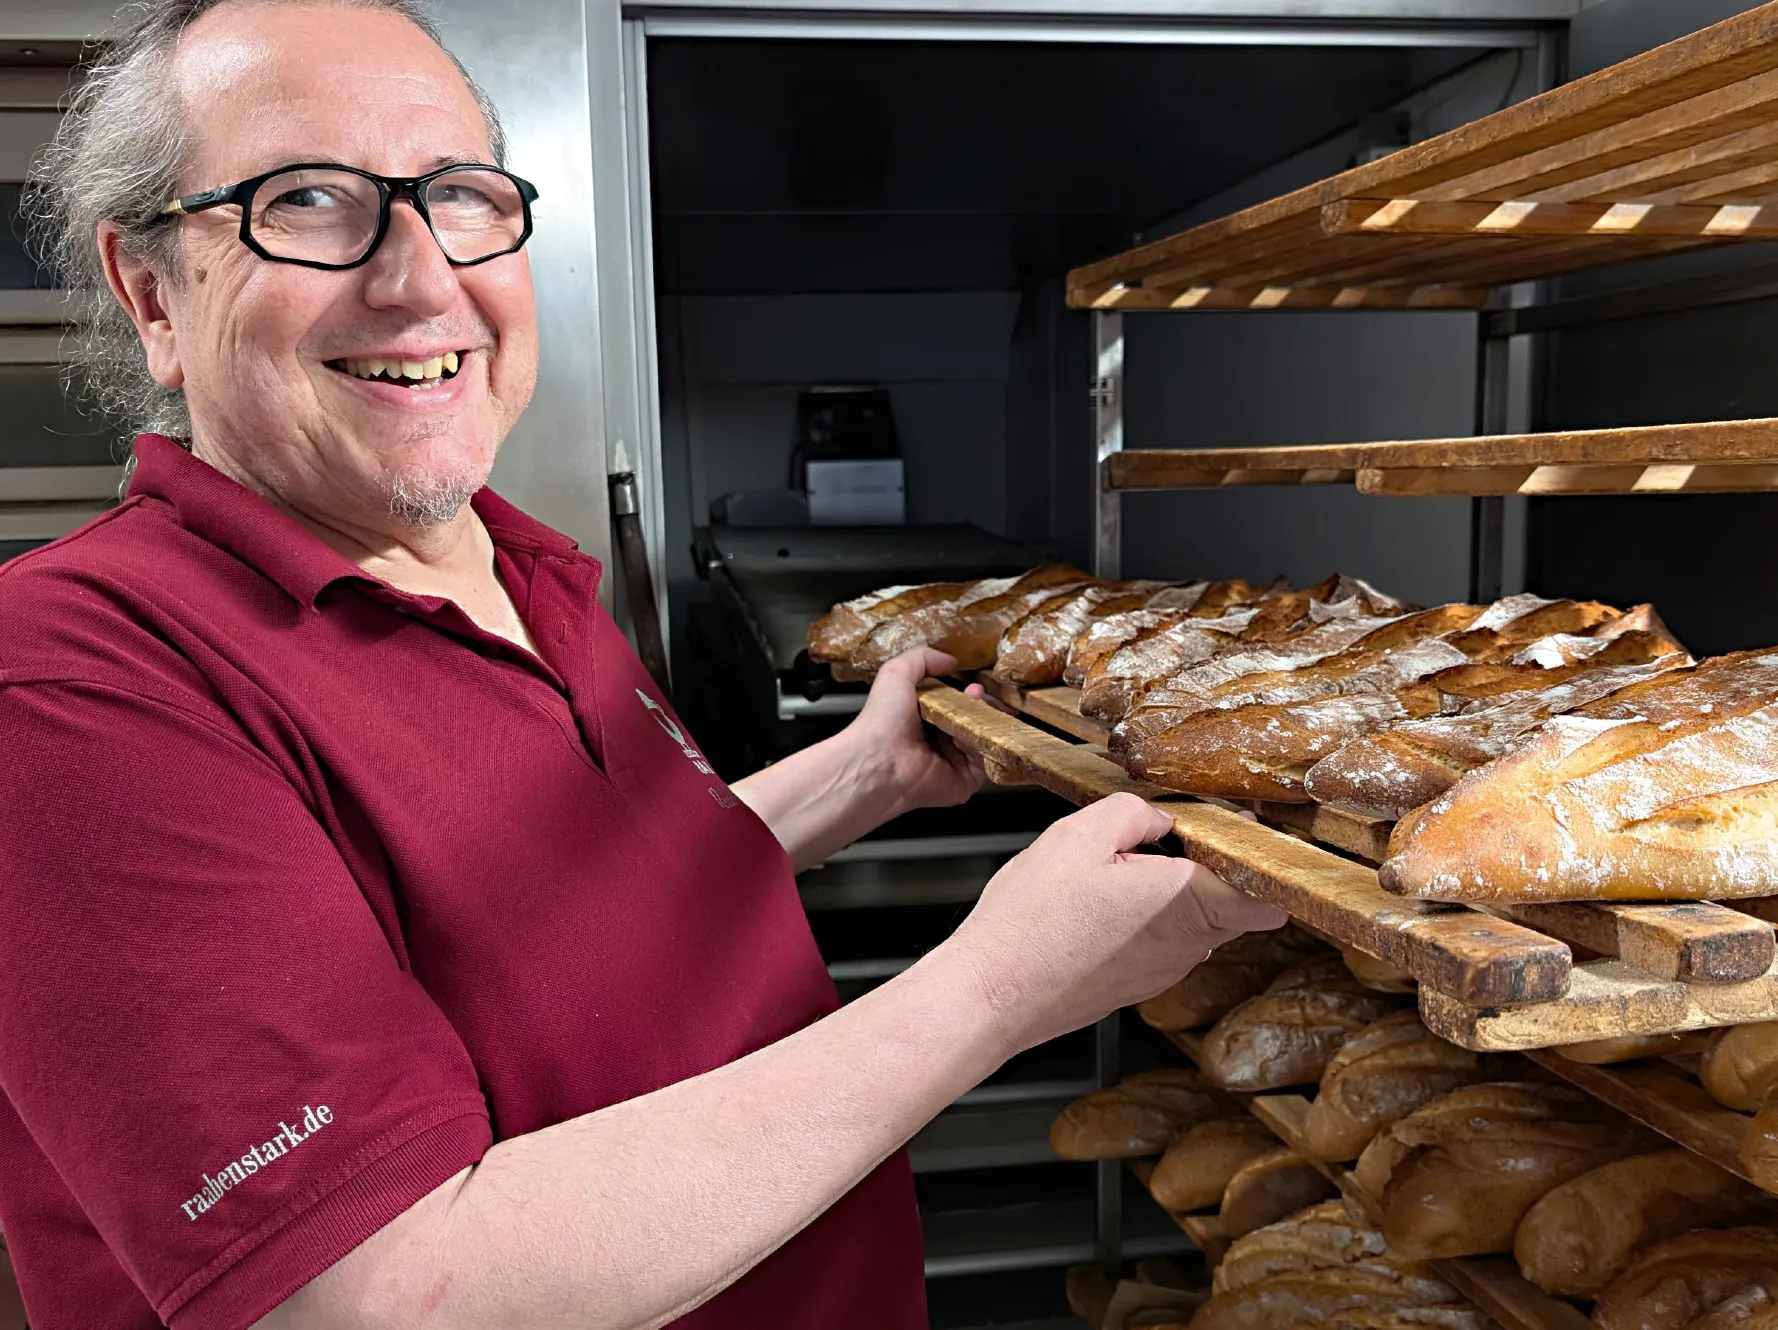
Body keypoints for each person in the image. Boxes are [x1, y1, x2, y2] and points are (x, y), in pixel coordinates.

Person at [0, 2, 1284, 1327]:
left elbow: (552, 932)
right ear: (150, 290)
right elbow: (377, 1290)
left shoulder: (513, 569)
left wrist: (854, 781)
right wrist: (1000, 985)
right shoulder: (76, 680)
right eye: (309, 200)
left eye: (457, 194)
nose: (416, 275)